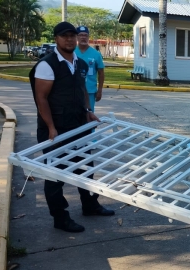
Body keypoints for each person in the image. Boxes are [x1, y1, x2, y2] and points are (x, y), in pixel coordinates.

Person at [30, 22, 114, 233]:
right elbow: (41, 99)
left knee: (85, 167)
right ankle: (60, 217)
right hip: (55, 128)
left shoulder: (79, 62)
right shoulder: (47, 65)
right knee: (55, 175)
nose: (69, 39)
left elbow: (82, 90)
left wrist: (87, 110)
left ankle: (90, 205)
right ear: (56, 39)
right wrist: (50, 127)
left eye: (72, 36)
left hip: (78, 124)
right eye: (64, 36)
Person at [74, 26, 105, 112]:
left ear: (88, 37)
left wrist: (100, 90)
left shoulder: (96, 54)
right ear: (76, 37)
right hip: (73, 90)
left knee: (89, 114)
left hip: (90, 90)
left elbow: (101, 73)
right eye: (80, 35)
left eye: (85, 35)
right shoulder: (72, 52)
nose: (83, 37)